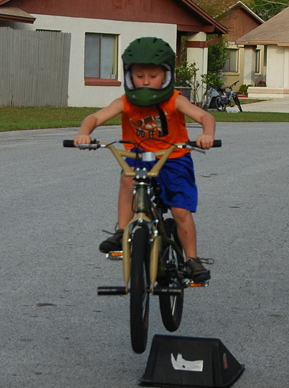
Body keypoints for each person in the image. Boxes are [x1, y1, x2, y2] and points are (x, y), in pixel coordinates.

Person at [74, 37, 215, 282]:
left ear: (166, 75)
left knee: (180, 211)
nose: (146, 81)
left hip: (173, 158)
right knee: (128, 180)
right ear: (130, 76)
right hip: (138, 156)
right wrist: (85, 132)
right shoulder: (126, 102)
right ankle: (122, 231)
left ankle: (192, 259)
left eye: (153, 75)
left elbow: (205, 117)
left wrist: (207, 134)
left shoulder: (174, 100)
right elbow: (95, 118)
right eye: (140, 76)